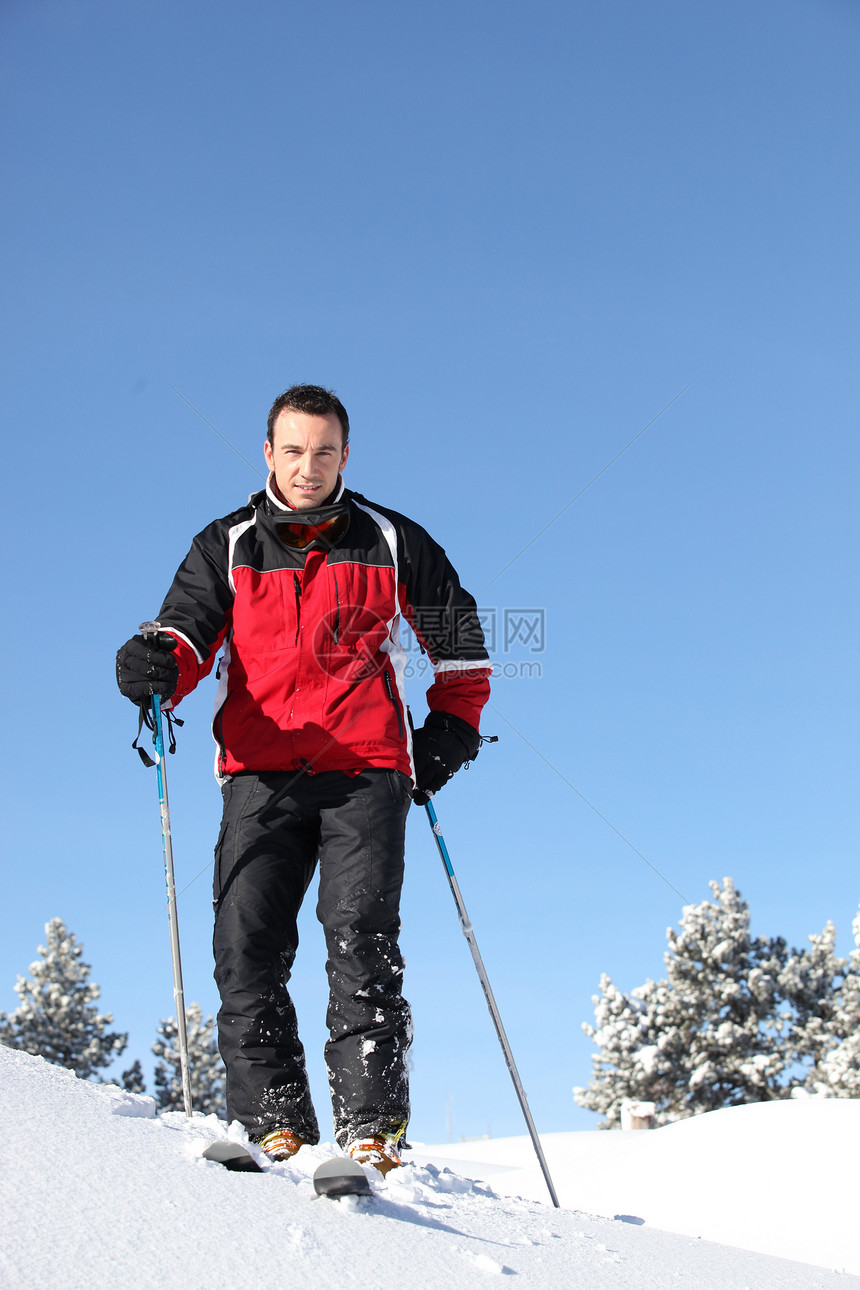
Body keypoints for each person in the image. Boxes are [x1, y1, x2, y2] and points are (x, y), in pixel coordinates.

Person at [116, 384, 490, 1175]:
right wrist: (157, 664)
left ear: (345, 455)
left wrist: (451, 731)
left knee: (361, 942)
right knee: (246, 946)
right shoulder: (228, 543)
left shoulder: (393, 540)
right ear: (268, 454)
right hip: (260, 773)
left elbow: (459, 639)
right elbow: (185, 633)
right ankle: (274, 1125)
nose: (309, 466)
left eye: (324, 451)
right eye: (294, 450)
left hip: (366, 772)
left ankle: (370, 1132)